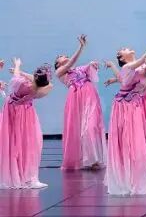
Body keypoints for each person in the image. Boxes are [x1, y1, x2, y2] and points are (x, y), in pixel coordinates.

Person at [105, 34, 146, 196]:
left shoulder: (138, 68)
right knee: (127, 140)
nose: (127, 48)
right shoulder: (127, 66)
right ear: (122, 57)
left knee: (135, 140)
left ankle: (133, 175)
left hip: (134, 106)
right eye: (123, 49)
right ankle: (125, 176)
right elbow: (142, 61)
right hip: (123, 106)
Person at [55, 34, 106, 171]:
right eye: (61, 57)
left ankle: (93, 158)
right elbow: (71, 62)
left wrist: (92, 65)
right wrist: (81, 47)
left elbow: (89, 70)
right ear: (58, 64)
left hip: (89, 97)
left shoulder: (80, 69)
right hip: (76, 100)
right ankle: (83, 159)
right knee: (78, 129)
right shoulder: (60, 72)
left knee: (91, 126)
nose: (64, 56)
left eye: (65, 55)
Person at [0, 60, 54, 189]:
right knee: (27, 142)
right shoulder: (39, 90)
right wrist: (23, 73)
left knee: (17, 141)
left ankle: (20, 175)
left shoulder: (23, 84)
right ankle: (26, 176)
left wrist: (18, 65)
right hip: (25, 112)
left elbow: (15, 78)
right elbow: (47, 84)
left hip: (14, 110)